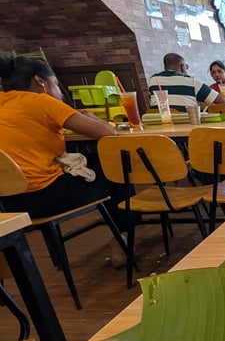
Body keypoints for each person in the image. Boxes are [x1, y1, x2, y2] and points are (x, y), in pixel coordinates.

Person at [0, 54, 130, 233]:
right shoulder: (42, 101)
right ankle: (125, 234)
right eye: (56, 83)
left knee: (96, 161)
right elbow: (109, 134)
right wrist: (92, 117)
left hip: (7, 203)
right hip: (44, 197)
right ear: (40, 81)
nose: (60, 92)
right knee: (117, 163)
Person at [150, 53, 222, 111]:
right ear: (182, 67)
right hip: (189, 126)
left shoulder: (153, 80)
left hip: (159, 127)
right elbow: (223, 101)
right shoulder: (191, 81)